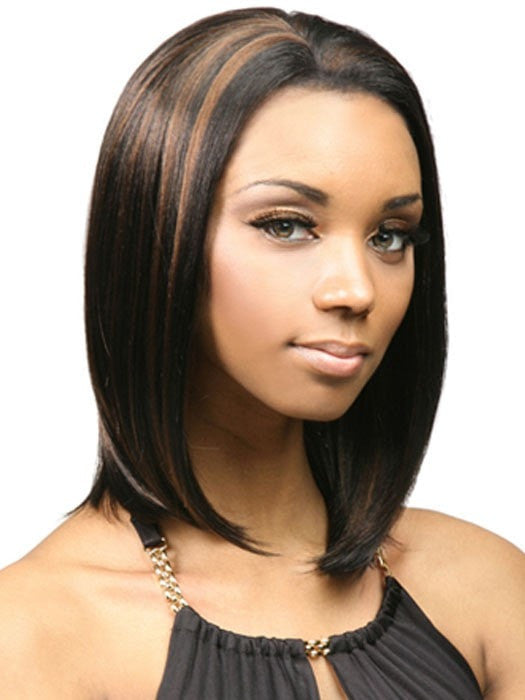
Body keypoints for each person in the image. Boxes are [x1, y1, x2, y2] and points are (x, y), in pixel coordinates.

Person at [1, 7, 523, 698]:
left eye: (390, 235)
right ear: (159, 237)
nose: (356, 289)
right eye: (287, 225)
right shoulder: (37, 635)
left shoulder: (483, 588)